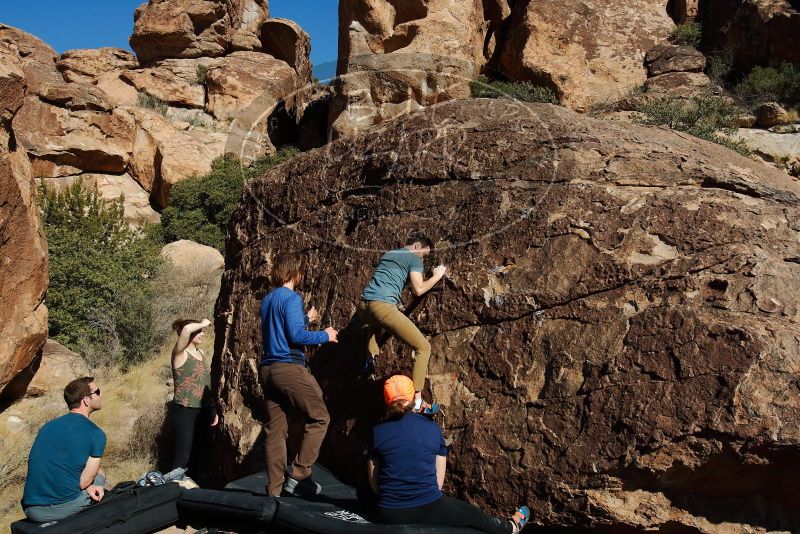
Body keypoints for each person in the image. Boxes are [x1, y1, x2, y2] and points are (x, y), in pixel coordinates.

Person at [368, 375, 530, 533]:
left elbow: (375, 486)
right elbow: (438, 484)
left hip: (389, 512)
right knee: (475, 515)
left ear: (386, 400)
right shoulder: (432, 428)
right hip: (430, 507)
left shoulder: (377, 432)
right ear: (413, 398)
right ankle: (510, 528)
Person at [259, 253, 339, 497]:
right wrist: (326, 335)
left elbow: (281, 331)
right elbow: (296, 337)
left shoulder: (268, 299)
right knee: (320, 417)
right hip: (288, 368)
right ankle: (300, 475)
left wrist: (306, 318)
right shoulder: (292, 297)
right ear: (294, 272)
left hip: (268, 370)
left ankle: (274, 491)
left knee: (275, 431)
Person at [359, 232, 446, 414]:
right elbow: (418, 289)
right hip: (382, 307)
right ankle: (418, 402)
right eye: (424, 253)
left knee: (374, 322)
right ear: (416, 246)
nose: (423, 257)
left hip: (364, 307)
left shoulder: (390, 253)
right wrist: (437, 275)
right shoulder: (413, 258)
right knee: (423, 348)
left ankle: (370, 355)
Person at [22, 377, 108, 522]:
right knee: (99, 474)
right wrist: (91, 486)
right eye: (97, 392)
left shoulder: (48, 426)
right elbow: (84, 482)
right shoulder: (96, 433)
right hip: (60, 508)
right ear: (86, 400)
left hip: (30, 508)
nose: (101, 395)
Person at [171, 318, 218, 474]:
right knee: (183, 456)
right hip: (185, 409)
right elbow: (185, 331)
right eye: (199, 331)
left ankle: (193, 491)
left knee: (200, 454)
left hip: (203, 409)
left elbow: (206, 383)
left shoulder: (201, 353)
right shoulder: (179, 354)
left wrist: (212, 409)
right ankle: (174, 489)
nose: (202, 334)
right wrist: (204, 323)